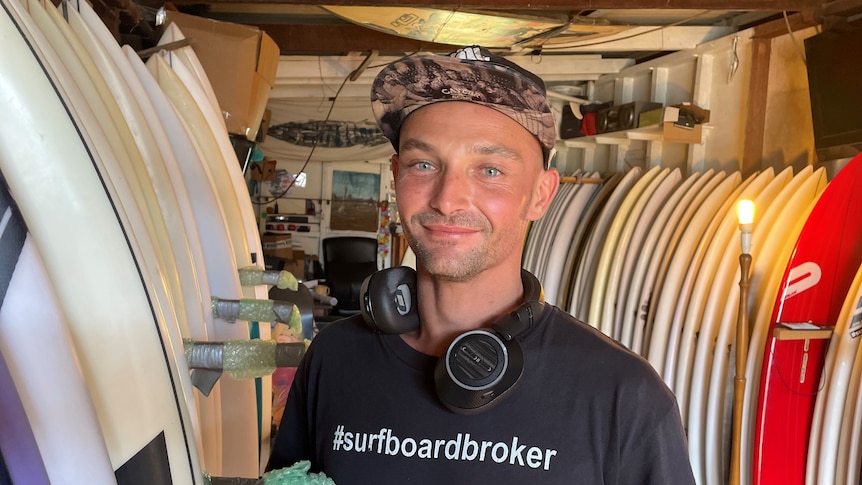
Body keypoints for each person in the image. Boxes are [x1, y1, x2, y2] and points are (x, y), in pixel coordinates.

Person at [267, 45, 695, 484]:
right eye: (424, 163)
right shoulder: (334, 359)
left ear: (541, 194)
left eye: (490, 170)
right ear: (396, 176)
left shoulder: (623, 396)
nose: (447, 198)